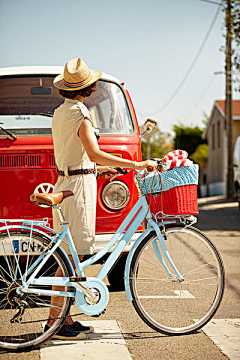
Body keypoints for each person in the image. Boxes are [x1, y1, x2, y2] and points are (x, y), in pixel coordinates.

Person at [44, 58, 157, 340]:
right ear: (89, 87)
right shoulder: (80, 112)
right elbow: (92, 152)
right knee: (71, 258)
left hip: (68, 179)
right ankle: (54, 323)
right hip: (78, 188)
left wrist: (102, 168)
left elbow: (76, 154)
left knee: (69, 257)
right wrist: (136, 165)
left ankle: (63, 318)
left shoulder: (60, 111)